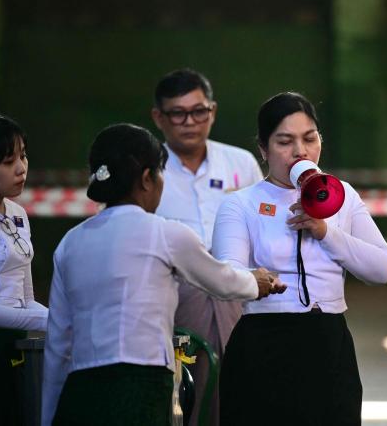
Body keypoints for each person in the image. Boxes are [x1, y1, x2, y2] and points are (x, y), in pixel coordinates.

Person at [41, 123, 284, 426]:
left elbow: (57, 343)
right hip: (142, 387)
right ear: (147, 178)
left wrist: (48, 415)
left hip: (80, 391)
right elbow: (222, 281)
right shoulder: (165, 234)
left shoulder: (70, 243)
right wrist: (257, 282)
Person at [213, 92, 387, 426]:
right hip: (263, 341)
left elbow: (382, 269)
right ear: (263, 150)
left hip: (327, 340)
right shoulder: (241, 204)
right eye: (285, 141)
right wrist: (256, 280)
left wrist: (327, 232)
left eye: (310, 139)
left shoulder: (343, 195)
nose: (301, 151)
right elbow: (228, 273)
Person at [151, 68, 263, 426]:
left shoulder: (240, 162)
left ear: (212, 111)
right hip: (175, 298)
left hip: (238, 293)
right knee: (185, 395)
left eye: (198, 111)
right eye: (177, 113)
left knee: (243, 386)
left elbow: (260, 228)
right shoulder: (148, 170)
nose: (190, 122)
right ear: (159, 117)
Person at [0, 115, 47, 426]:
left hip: (18, 345)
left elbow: (26, 295)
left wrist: (54, 317)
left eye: (23, 155)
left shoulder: (17, 212)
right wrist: (49, 320)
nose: (21, 168)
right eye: (7, 160)